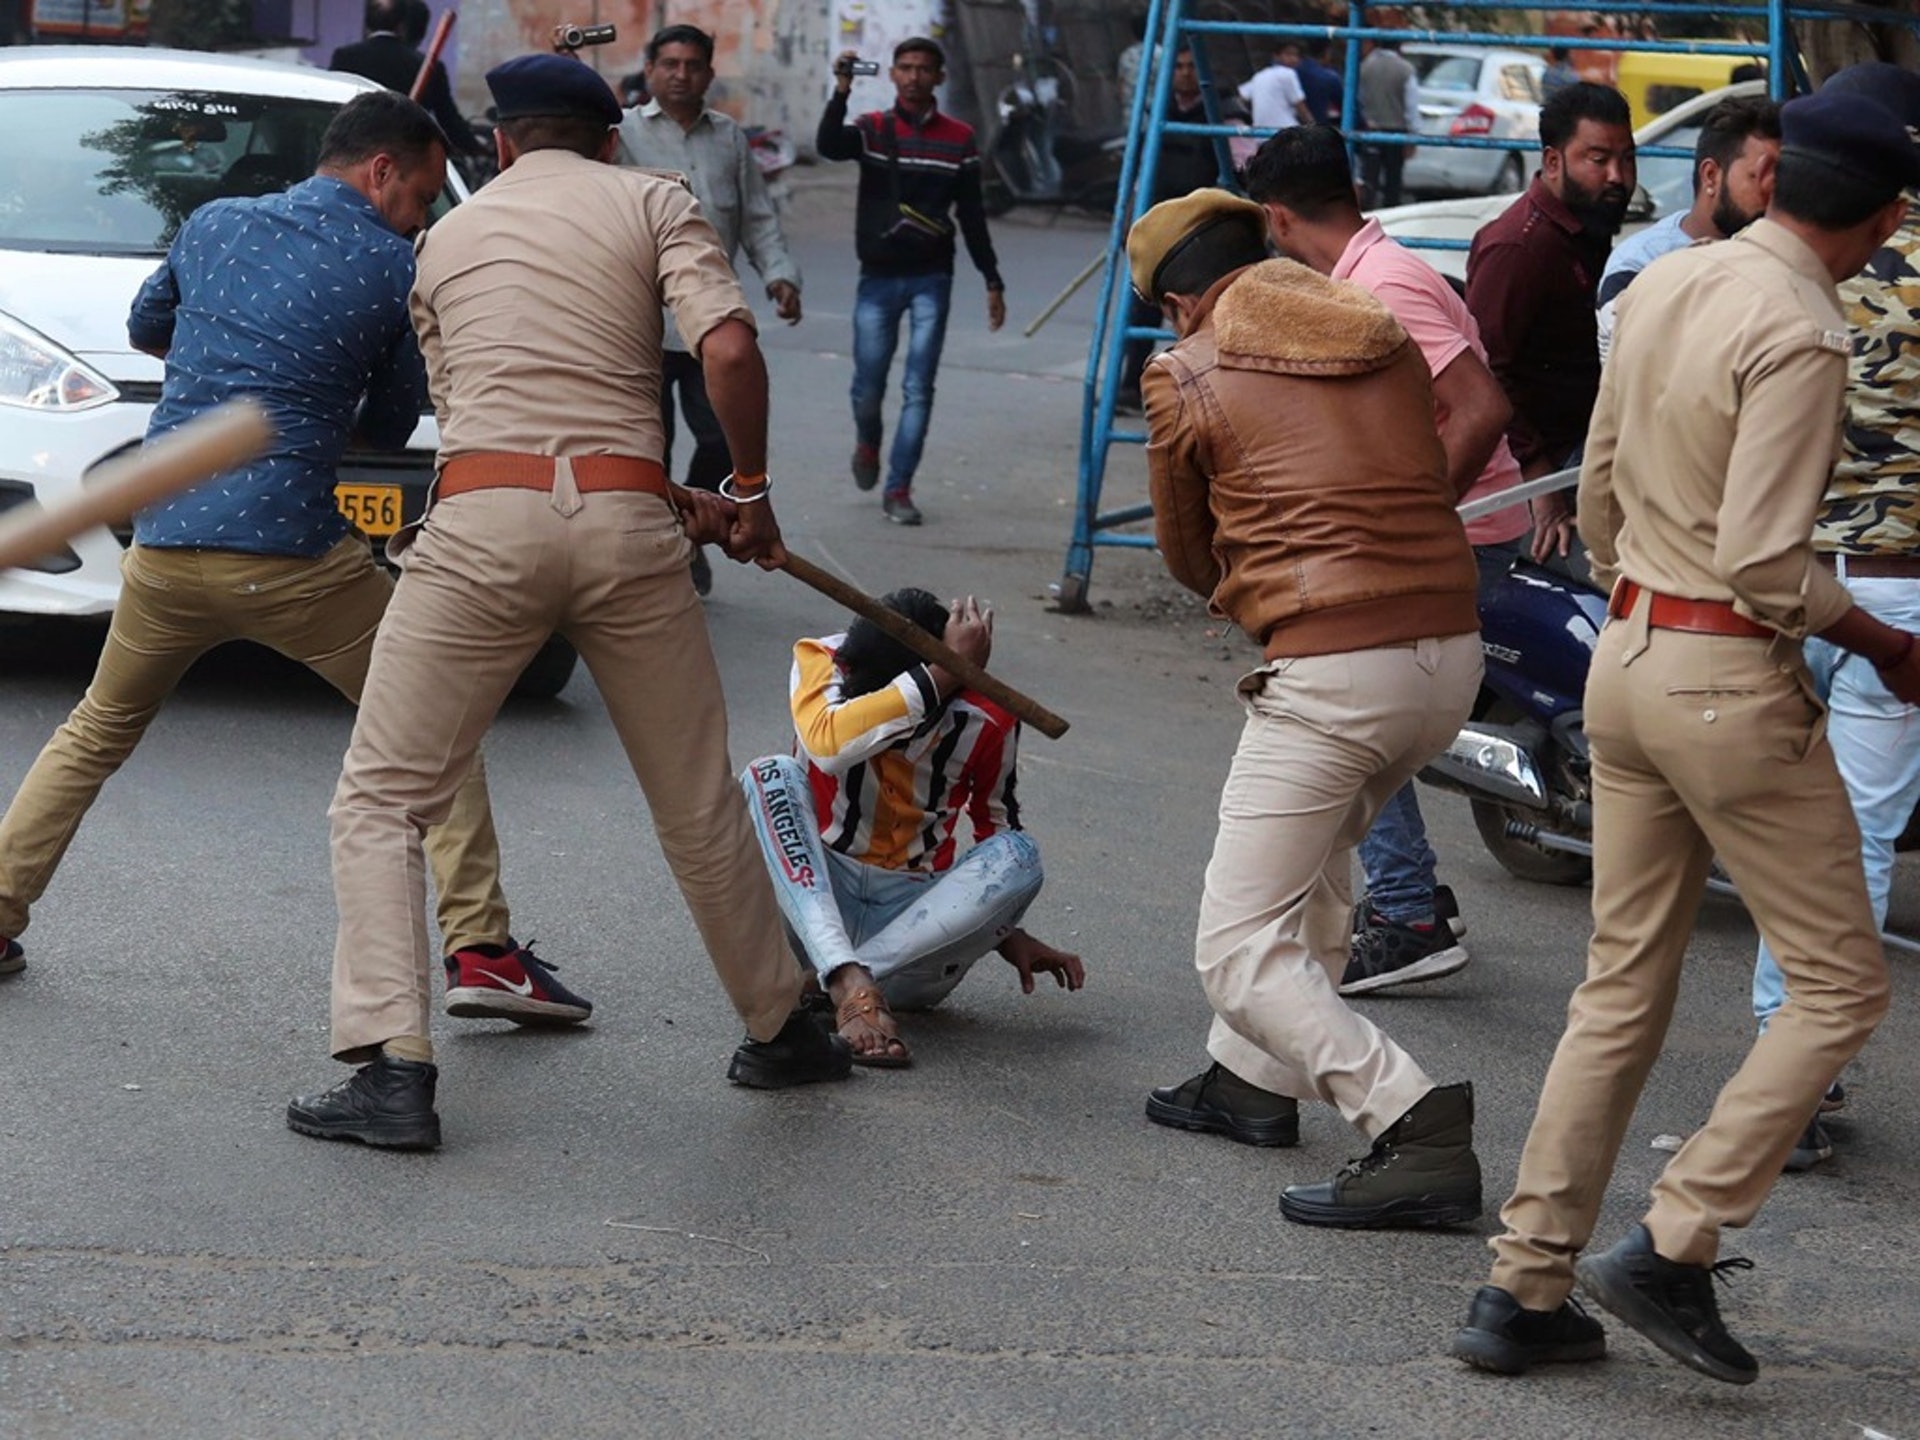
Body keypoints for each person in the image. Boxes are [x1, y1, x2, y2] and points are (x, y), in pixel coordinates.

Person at [287, 54, 850, 1152]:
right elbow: (726, 346)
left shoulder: (442, 236)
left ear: (499, 145)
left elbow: (481, 427)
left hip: (482, 529)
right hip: (632, 529)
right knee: (694, 798)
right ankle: (784, 1028)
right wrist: (747, 495)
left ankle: (392, 1072)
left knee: (383, 802)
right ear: (608, 141)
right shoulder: (655, 197)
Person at [1449, 82, 1920, 1386]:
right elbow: (1774, 568)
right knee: (1839, 983)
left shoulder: (1666, 282)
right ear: (1880, 218)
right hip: (1723, 670)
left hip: (1632, 648)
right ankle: (1675, 1243)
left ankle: (1524, 1287)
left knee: (1621, 984)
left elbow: (1596, 488)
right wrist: (1886, 645)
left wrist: (1645, 595)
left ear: (1775, 179)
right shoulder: (1804, 326)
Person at [0, 92, 586, 1028]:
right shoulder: (397, 265)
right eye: (422, 194)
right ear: (381, 171)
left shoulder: (216, 223)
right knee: (437, 730)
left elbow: (156, 326)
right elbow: (393, 421)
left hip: (164, 541)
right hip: (294, 556)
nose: (422, 215)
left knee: (95, 730)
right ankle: (481, 947)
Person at [1130, 188, 1487, 1229]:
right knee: (1320, 861)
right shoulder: (1378, 331)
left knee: (1235, 948)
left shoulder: (1184, 370)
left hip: (1336, 671)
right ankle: (1252, 1079)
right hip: (1449, 651)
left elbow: (1186, 550)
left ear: (1185, 298)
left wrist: (1255, 595)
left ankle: (1408, 1117)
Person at [1245, 124, 1530, 995]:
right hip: (1456, 525)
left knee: (1350, 709)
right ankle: (1402, 900)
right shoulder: (1368, 277)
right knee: (1364, 712)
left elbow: (1479, 407)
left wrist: (1415, 522)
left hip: (1465, 531)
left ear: (1278, 218)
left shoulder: (1383, 288)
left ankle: (1406, 911)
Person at [1749, 62, 1920, 1174]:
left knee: (1792, 833)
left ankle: (1784, 1063)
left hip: (1772, 577)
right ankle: (1789, 1081)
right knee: (1850, 838)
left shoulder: (1774, 257)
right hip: (1897, 589)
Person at [740, 589, 1084, 1065]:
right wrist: (944, 671)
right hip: (812, 920)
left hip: (910, 947)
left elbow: (996, 833)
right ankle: (844, 976)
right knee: (768, 774)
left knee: (1019, 854)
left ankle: (854, 979)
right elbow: (828, 744)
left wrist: (1002, 931)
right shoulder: (823, 660)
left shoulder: (990, 714)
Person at [617, 23, 802, 596]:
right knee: (651, 447)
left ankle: (691, 530)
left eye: (692, 64)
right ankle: (658, 552)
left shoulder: (729, 139)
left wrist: (779, 275)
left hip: (708, 327)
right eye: (669, 64)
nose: (680, 74)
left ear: (708, 74)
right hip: (641, 322)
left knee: (723, 439)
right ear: (649, 71)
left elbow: (759, 219)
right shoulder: (620, 135)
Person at [816, 36, 1005, 527]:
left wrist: (992, 279)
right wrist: (840, 90)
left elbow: (973, 214)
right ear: (894, 75)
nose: (915, 76)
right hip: (878, 275)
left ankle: (899, 487)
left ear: (939, 76)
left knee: (919, 387)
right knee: (868, 387)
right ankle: (868, 442)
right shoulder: (873, 129)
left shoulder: (960, 138)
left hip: (931, 276)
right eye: (906, 67)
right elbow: (828, 146)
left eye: (925, 68)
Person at [1466, 82, 1635, 564]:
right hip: (1549, 470)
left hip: (1590, 448)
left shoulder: (1587, 228)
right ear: (1554, 161)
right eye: (1598, 160)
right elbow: (1487, 371)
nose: (1618, 176)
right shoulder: (1520, 248)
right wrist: (1542, 484)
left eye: (1626, 160)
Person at [1115, 43, 1248, 414]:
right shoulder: (1155, 110)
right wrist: (1129, 217)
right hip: (1158, 226)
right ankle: (1127, 387)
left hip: (1200, 231)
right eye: (1179, 67)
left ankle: (1205, 392)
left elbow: (1240, 168)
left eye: (1192, 66)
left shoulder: (1224, 113)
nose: (1185, 73)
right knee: (1141, 309)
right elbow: (1139, 169)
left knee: (1201, 314)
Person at [1595, 96, 1780, 360]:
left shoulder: (1779, 255)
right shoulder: (1639, 264)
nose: (1773, 193)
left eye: (1781, 180)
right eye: (1759, 177)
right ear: (1711, 176)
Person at [329, 0, 483, 158]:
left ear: (367, 23)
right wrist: (479, 150)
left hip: (354, 152)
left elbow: (331, 108)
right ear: (402, 24)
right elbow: (449, 120)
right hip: (405, 158)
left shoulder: (345, 58)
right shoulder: (426, 66)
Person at [1357, 37, 1420, 208]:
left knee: (1369, 175)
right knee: (1393, 177)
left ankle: (1365, 212)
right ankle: (1391, 210)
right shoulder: (1405, 69)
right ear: (1399, 45)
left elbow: (1359, 98)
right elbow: (1411, 106)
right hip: (1396, 129)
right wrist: (1414, 135)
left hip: (1370, 129)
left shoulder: (1365, 66)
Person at [1238, 40, 1312, 133]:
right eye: (1288, 54)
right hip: (1285, 131)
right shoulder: (1288, 73)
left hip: (1260, 133)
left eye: (1296, 55)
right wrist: (1314, 127)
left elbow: (1241, 97)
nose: (1293, 59)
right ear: (1276, 56)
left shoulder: (1260, 75)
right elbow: (1300, 107)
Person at [1296, 38, 1344, 126]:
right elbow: (1348, 108)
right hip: (1316, 131)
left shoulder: (1292, 71)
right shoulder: (1328, 77)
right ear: (1327, 51)